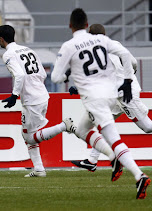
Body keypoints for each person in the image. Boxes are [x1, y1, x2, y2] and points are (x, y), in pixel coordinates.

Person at [51, 9, 150, 199]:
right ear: (86, 24)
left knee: (116, 136)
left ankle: (136, 173)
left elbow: (56, 77)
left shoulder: (70, 46)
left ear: (70, 25)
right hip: (112, 94)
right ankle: (97, 160)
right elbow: (124, 53)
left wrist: (69, 74)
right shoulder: (103, 41)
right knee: (82, 129)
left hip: (98, 98)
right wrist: (129, 80)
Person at [70, 24, 152, 173]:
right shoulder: (115, 44)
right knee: (104, 123)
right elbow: (132, 61)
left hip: (125, 95)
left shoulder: (95, 51)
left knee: (147, 127)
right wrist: (129, 76)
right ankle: (92, 161)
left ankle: (93, 160)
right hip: (117, 93)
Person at [0, 25, 76, 178]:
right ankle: (39, 169)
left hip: (32, 100)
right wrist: (35, 86)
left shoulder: (8, 55)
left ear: (1, 39)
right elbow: (42, 73)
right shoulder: (28, 50)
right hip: (42, 95)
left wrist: (14, 95)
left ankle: (63, 126)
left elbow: (19, 76)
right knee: (28, 134)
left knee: (29, 136)